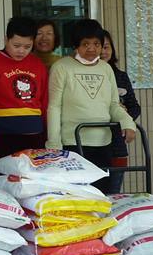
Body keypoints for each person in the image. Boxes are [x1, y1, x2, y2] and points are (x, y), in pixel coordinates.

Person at [46, 19, 135, 193]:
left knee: (101, 194)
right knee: (76, 195)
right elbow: (54, 107)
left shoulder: (106, 69)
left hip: (103, 143)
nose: (91, 48)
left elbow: (113, 105)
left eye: (96, 44)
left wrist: (127, 122)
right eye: (85, 44)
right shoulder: (61, 67)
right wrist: (54, 143)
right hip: (72, 142)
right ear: (76, 45)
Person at [0, 17, 48, 174]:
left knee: (31, 182)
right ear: (6, 39)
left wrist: (47, 136)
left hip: (34, 136)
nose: (21, 51)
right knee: (1, 181)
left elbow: (45, 103)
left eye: (27, 46)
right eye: (16, 45)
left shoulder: (38, 65)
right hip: (1, 137)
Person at [101, 30, 141, 194]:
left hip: (117, 145)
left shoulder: (121, 76)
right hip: (93, 144)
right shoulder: (84, 76)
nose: (103, 52)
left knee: (114, 193)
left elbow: (135, 106)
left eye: (106, 47)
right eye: (99, 47)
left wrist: (124, 117)